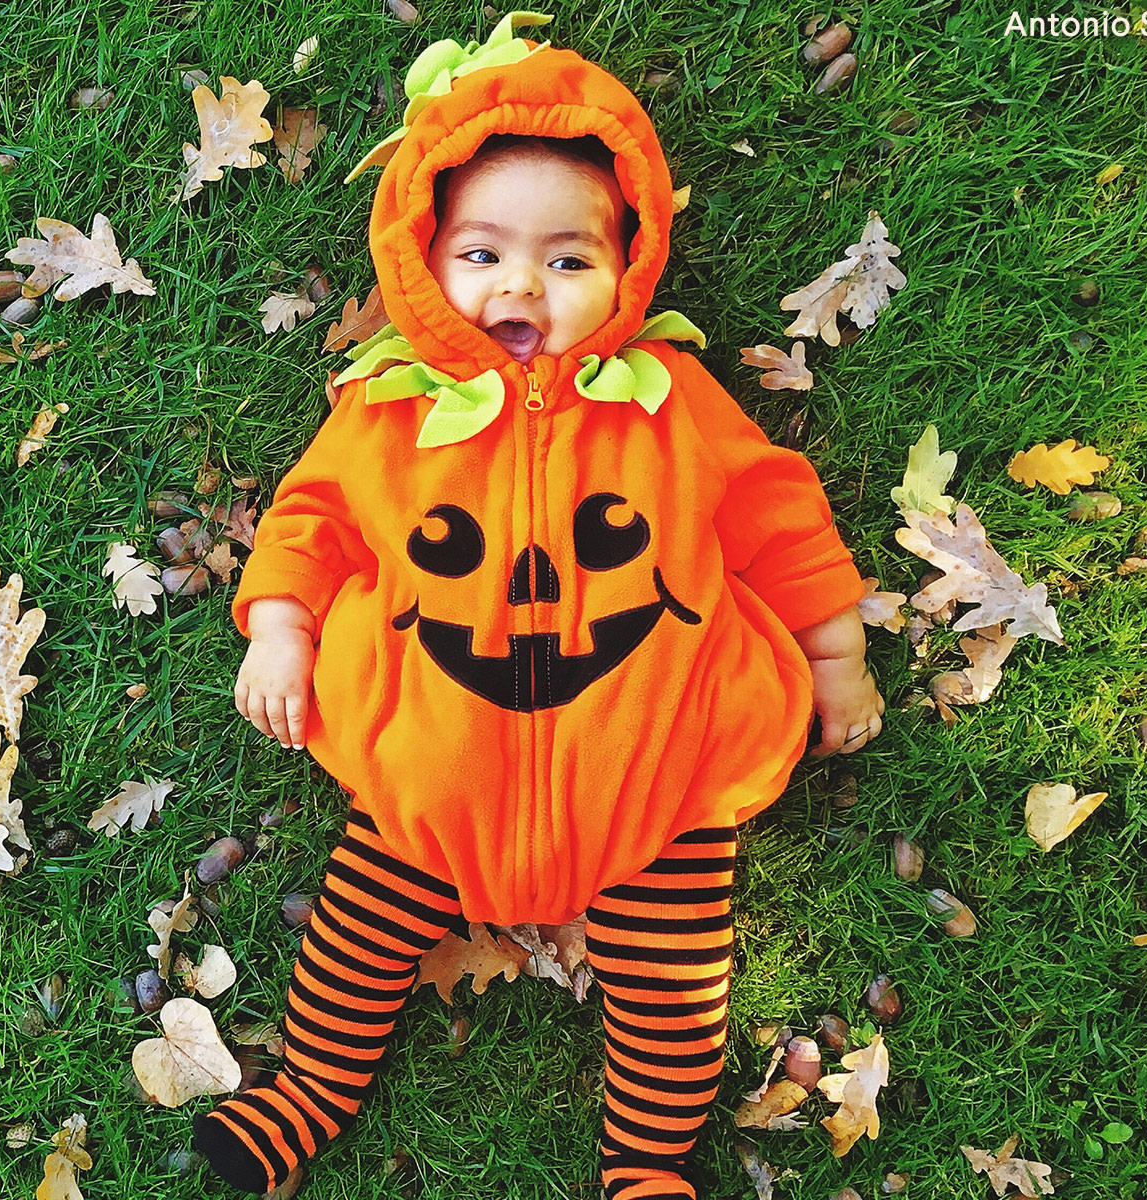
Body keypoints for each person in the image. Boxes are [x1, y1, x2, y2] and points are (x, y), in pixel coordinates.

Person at [195, 12, 887, 1198]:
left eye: (569, 259)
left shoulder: (671, 400)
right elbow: (311, 516)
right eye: (481, 254)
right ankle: (308, 1092)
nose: (525, 281)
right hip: (430, 788)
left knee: (677, 992)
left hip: (652, 796)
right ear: (421, 258)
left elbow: (778, 513)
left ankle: (649, 1164)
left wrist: (835, 654)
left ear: (629, 265)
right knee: (351, 943)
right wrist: (279, 623)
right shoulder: (384, 413)